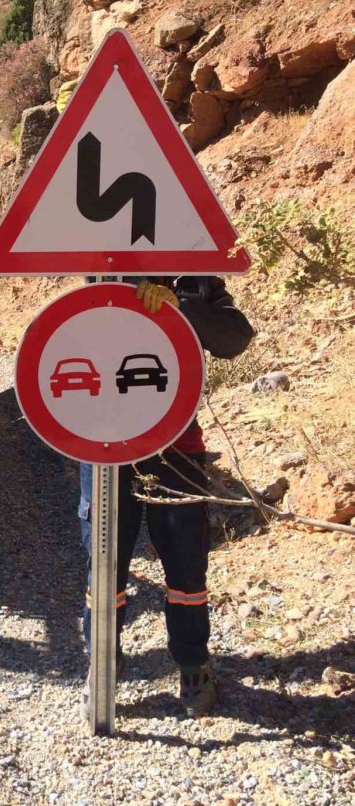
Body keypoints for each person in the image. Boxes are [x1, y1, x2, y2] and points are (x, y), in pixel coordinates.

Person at [79, 276, 254, 718]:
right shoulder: (104, 267)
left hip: (176, 446)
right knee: (104, 563)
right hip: (104, 446)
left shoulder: (194, 278)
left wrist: (183, 309)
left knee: (186, 564)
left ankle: (194, 664)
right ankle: (102, 661)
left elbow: (235, 337)